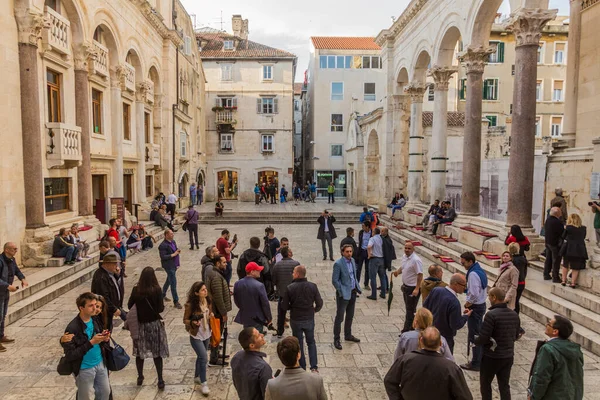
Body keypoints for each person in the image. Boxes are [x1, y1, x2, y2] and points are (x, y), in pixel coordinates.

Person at [384, 327, 473, 400]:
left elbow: (389, 381)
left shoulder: (405, 360)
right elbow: (465, 396)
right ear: (440, 343)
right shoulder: (451, 368)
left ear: (420, 341)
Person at [61, 292, 111, 400]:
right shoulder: (72, 328)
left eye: (95, 305)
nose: (94, 308)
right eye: (90, 305)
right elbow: (70, 355)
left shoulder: (95, 319)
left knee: (105, 392)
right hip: (84, 367)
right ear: (81, 308)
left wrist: (104, 339)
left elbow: (99, 339)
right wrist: (91, 342)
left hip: (100, 363)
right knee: (85, 397)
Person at [473, 288, 520, 400]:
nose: (489, 299)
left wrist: (475, 340)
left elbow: (484, 337)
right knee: (504, 385)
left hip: (492, 357)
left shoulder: (491, 315)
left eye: (489, 296)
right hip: (508, 356)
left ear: (494, 297)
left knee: (485, 384)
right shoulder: (514, 314)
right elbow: (516, 335)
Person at [128, 267, 168, 390]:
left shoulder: (136, 290)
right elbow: (160, 308)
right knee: (157, 353)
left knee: (140, 353)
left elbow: (130, 305)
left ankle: (140, 376)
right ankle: (160, 379)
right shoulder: (157, 290)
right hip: (154, 325)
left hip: (141, 325)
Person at [528, 315, 584, 400]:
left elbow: (542, 377)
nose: (546, 325)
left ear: (555, 331)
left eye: (549, 324)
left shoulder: (547, 349)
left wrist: (534, 396)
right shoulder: (575, 350)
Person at [282, 265, 323, 372]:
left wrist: (292, 307)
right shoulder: (312, 286)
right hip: (309, 318)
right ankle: (314, 367)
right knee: (311, 342)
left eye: (293, 272)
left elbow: (284, 306)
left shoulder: (290, 288)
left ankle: (302, 367)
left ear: (298, 274)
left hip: (296, 319)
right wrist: (314, 310)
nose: (292, 274)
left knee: (298, 344)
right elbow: (319, 303)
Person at [423, 273, 472, 353]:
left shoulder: (436, 290)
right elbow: (455, 325)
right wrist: (465, 316)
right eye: (464, 285)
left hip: (429, 333)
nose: (465, 288)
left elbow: (425, 307)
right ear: (456, 284)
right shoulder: (454, 302)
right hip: (445, 338)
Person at [460, 251, 487, 371]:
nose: (463, 265)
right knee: (477, 332)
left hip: (475, 307)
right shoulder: (479, 270)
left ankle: (476, 362)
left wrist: (468, 303)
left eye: (464, 263)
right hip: (481, 305)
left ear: (470, 261)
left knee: (474, 335)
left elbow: (475, 293)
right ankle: (479, 358)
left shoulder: (473, 274)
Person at [184, 281, 212, 395]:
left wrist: (211, 316)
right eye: (202, 290)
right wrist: (192, 322)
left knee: (201, 356)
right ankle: (204, 383)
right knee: (204, 358)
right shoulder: (191, 305)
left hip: (207, 333)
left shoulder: (208, 301)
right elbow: (185, 320)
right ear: (196, 293)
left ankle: (196, 376)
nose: (205, 291)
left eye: (205, 289)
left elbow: (209, 313)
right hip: (196, 335)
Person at [332, 244, 362, 350]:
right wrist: (341, 291)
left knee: (350, 315)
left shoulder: (353, 260)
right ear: (342, 252)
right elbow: (335, 280)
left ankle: (348, 335)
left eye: (350, 251)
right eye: (347, 252)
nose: (349, 253)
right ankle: (336, 339)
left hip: (353, 292)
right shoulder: (338, 264)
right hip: (343, 295)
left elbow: (353, 275)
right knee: (339, 317)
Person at [231, 327, 273, 400]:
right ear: (252, 345)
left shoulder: (236, 357)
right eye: (258, 336)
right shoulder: (263, 368)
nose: (262, 335)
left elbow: (236, 382)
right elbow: (267, 396)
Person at [0, 243, 27, 351]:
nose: (16, 250)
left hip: (5, 292)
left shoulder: (12, 259)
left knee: (3, 315)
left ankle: (1, 336)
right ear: (6, 250)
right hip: (2, 290)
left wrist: (23, 279)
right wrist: (7, 286)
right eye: (14, 249)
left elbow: (16, 270)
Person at [206, 255, 232, 367]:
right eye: (224, 262)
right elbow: (218, 297)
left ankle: (216, 354)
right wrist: (224, 313)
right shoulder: (216, 276)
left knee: (218, 333)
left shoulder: (215, 273)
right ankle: (214, 359)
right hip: (217, 311)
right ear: (217, 263)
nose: (226, 264)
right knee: (217, 334)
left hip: (217, 311)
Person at [392, 242, 424, 332]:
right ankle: (411, 327)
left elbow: (420, 274)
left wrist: (417, 288)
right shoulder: (404, 257)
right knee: (408, 308)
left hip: (412, 288)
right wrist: (397, 272)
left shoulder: (416, 260)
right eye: (405, 248)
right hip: (406, 287)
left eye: (409, 248)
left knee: (410, 310)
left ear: (413, 249)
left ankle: (407, 330)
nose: (406, 250)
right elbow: (403, 267)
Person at [233, 262, 272, 333]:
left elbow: (236, 300)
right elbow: (265, 304)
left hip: (245, 316)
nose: (260, 271)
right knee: (256, 338)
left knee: (248, 337)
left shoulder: (237, 284)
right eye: (257, 270)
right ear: (252, 272)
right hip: (257, 317)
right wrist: (269, 318)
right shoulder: (259, 285)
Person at [272, 247, 300, 337]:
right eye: (290, 251)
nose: (292, 252)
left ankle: (280, 331)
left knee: (281, 313)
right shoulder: (296, 264)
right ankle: (296, 331)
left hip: (283, 293)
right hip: (294, 293)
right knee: (295, 313)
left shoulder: (277, 265)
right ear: (288, 254)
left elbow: (274, 280)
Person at [90, 253, 122, 332]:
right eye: (114, 264)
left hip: (109, 310)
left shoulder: (110, 273)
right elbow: (104, 296)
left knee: (108, 329)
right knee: (105, 330)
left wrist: (117, 274)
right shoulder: (101, 277)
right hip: (104, 311)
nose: (116, 266)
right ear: (108, 264)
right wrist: (114, 309)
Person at [561, 213, 588, 288]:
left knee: (565, 264)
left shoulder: (568, 227)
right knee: (576, 267)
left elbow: (563, 236)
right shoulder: (583, 228)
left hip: (568, 247)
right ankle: (573, 283)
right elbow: (583, 237)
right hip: (579, 248)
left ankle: (563, 280)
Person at [159, 229, 182, 309]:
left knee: (169, 280)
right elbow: (163, 257)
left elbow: (175, 249)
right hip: (168, 266)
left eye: (173, 233)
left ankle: (162, 294)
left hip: (174, 264)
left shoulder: (173, 242)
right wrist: (174, 254)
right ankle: (176, 301)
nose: (173, 235)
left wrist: (177, 251)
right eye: (171, 234)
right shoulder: (162, 245)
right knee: (173, 283)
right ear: (166, 235)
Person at [543, 207, 564, 282]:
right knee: (556, 260)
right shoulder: (557, 222)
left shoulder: (548, 220)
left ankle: (546, 274)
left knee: (548, 259)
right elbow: (561, 232)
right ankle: (555, 277)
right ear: (557, 213)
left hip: (548, 242)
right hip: (555, 244)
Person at [366, 227, 387, 300]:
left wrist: (369, 255)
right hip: (381, 259)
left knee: (373, 277)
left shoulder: (372, 238)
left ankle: (374, 295)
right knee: (382, 277)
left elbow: (369, 246)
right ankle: (383, 293)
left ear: (374, 232)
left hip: (374, 259)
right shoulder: (382, 238)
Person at [381, 227, 396, 293]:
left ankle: (386, 287)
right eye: (381, 231)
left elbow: (388, 252)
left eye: (383, 231)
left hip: (385, 260)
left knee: (383, 274)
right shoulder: (383, 238)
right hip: (383, 259)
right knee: (382, 274)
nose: (381, 232)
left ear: (386, 232)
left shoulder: (388, 240)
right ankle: (383, 285)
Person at [357, 221, 372, 289]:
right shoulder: (361, 232)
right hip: (362, 251)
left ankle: (366, 284)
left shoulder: (372, 233)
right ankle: (357, 284)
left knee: (367, 269)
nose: (362, 227)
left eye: (363, 226)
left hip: (368, 252)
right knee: (358, 268)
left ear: (367, 227)